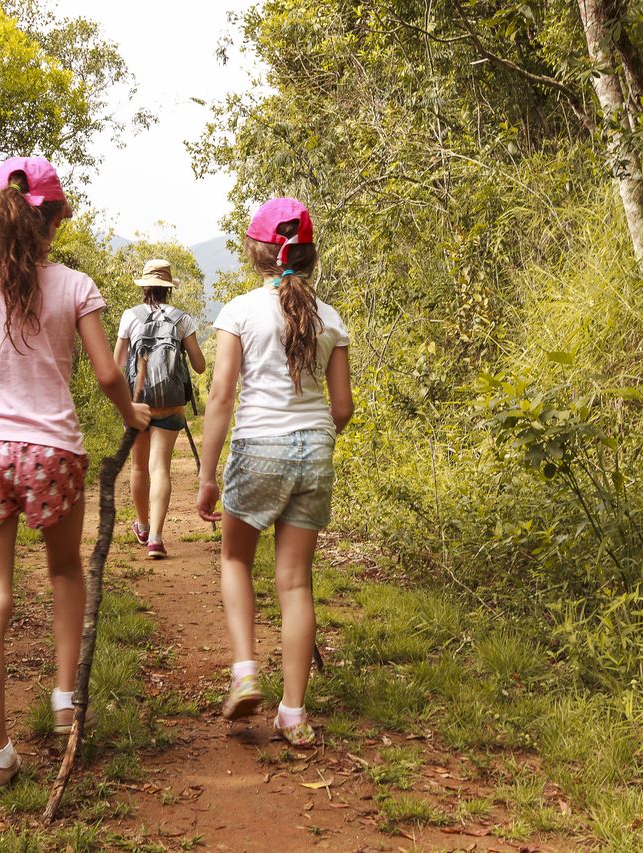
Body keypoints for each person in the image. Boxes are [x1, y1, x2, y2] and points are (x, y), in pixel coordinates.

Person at [0, 156, 150, 794]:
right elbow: (108, 374)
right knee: (64, 571)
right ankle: (63, 698)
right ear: (56, 220)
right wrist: (130, 411)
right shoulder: (76, 286)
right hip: (53, 452)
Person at [195, 198, 353, 747]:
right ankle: (292, 712)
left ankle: (244, 670)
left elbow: (220, 396)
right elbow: (343, 408)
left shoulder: (239, 311)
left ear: (255, 252)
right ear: (309, 255)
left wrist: (208, 475)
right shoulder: (330, 317)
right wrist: (313, 435)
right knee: (295, 583)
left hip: (258, 447)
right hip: (313, 451)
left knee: (236, 557)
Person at [114, 258, 206, 558]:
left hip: (137, 401)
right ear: (169, 289)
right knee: (159, 467)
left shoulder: (131, 316)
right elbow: (200, 366)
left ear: (145, 287)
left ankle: (141, 525)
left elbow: (116, 365)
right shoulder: (182, 319)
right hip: (170, 403)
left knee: (139, 467)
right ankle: (155, 537)